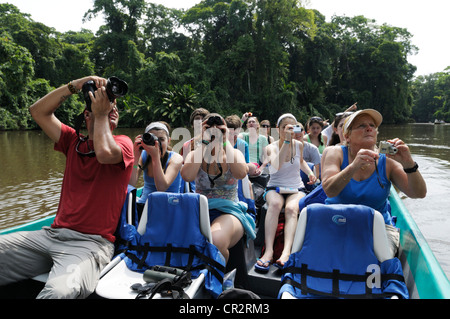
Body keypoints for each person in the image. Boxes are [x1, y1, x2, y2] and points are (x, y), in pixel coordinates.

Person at [0, 76, 134, 298]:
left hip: (90, 245)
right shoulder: (74, 142)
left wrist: (100, 114)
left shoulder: (124, 144)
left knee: (58, 292)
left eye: (113, 107)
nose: (112, 109)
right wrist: (77, 85)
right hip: (51, 235)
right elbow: (38, 112)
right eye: (105, 106)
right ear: (86, 116)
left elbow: (104, 153)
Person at [321, 109, 427, 256]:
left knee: (370, 259)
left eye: (372, 125)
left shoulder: (387, 161)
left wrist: (409, 164)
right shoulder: (335, 153)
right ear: (347, 136)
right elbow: (329, 190)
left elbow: (418, 193)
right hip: (338, 223)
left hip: (377, 228)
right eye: (362, 126)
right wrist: (353, 167)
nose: (369, 128)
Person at [181, 113, 255, 263]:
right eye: (209, 128)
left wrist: (225, 140)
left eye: (219, 128)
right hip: (201, 209)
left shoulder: (235, 153)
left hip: (229, 211)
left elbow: (241, 173)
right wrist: (203, 141)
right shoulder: (195, 154)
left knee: (216, 240)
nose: (214, 131)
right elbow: (187, 176)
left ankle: (218, 281)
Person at [255, 114, 316, 271]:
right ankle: (268, 251)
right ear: (278, 129)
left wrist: (309, 172)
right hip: (275, 185)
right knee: (274, 204)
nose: (288, 131)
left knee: (291, 209)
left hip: (296, 187)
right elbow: (276, 166)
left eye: (292, 127)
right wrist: (287, 142)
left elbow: (301, 162)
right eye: (284, 128)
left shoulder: (299, 145)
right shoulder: (270, 147)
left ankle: (286, 252)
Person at [130, 121, 183, 215]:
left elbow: (161, 188)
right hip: (145, 205)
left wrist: (155, 158)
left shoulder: (176, 158)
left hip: (168, 206)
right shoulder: (144, 156)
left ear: (169, 140)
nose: (157, 143)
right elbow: (131, 184)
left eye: (161, 139)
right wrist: (136, 156)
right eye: (153, 139)